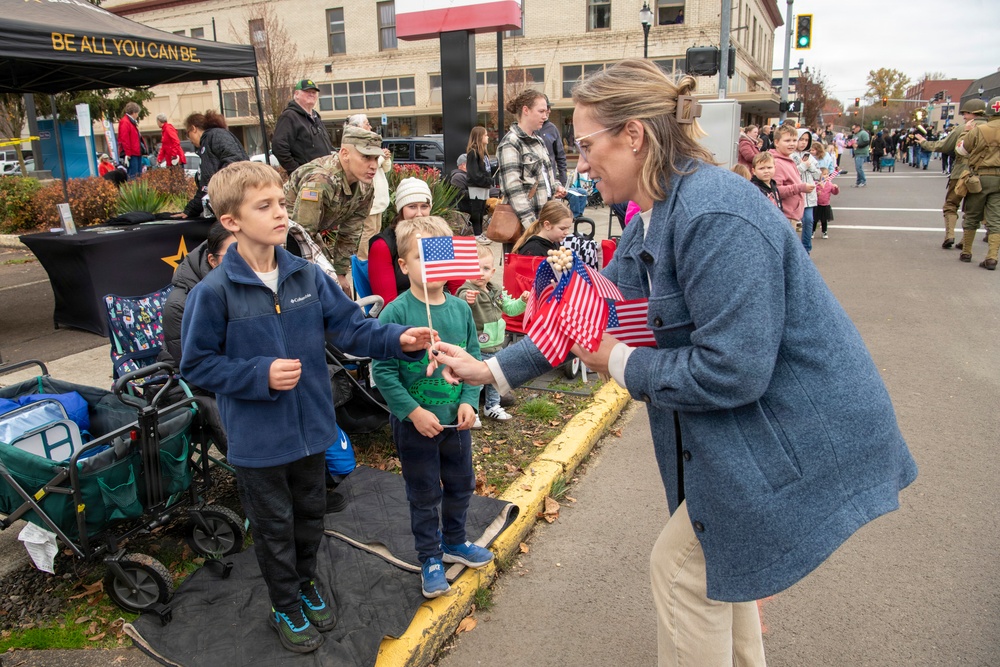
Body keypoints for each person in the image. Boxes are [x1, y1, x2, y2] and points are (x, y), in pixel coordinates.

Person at [428, 59, 917, 667]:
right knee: (712, 572)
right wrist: (490, 372)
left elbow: (734, 370)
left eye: (585, 144)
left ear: (633, 134)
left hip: (801, 432)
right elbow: (586, 318)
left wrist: (622, 362)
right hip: (756, 434)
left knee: (683, 568)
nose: (578, 164)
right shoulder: (657, 212)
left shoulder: (714, 213)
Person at [180, 162, 433, 654]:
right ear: (231, 221)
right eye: (265, 206)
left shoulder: (306, 278)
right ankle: (285, 603)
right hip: (258, 441)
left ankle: (306, 581)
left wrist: (399, 338)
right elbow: (196, 366)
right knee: (274, 527)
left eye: (281, 202)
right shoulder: (212, 293)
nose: (281, 213)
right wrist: (258, 375)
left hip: (313, 428)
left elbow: (351, 328)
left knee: (311, 517)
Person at [370, 215, 492, 600]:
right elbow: (383, 370)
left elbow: (474, 359)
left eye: (441, 259)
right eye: (424, 259)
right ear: (404, 266)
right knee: (423, 492)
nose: (434, 268)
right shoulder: (395, 313)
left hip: (455, 424)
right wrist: (412, 412)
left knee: (460, 484)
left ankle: (455, 540)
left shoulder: (459, 310)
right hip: (416, 426)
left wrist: (470, 402)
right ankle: (430, 557)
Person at [285, 125, 383, 293]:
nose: (373, 165)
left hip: (308, 232)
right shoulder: (320, 181)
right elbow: (300, 235)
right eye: (366, 157)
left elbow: (351, 232)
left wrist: (340, 272)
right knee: (320, 286)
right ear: (345, 154)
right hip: (285, 235)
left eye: (376, 158)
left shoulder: (365, 186)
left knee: (339, 287)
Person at [455, 245, 528, 424]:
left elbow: (509, 309)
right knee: (476, 381)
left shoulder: (495, 290)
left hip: (497, 343)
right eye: (475, 268)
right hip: (477, 346)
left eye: (485, 269)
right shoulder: (467, 290)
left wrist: (522, 301)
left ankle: (492, 406)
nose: (480, 273)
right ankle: (473, 410)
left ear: (493, 271)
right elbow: (459, 304)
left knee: (496, 377)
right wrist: (467, 300)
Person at [916, 99, 988, 249]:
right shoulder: (992, 128)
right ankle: (966, 241)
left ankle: (950, 235)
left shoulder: (963, 128)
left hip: (961, 171)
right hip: (984, 174)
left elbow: (943, 146)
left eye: (965, 113)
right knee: (973, 208)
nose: (964, 116)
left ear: (972, 113)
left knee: (951, 204)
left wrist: (923, 142)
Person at [497, 89, 566, 229]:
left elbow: (545, 176)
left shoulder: (538, 140)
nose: (545, 116)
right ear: (526, 110)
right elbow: (513, 189)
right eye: (541, 111)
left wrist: (555, 186)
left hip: (545, 220)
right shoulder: (511, 142)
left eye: (546, 112)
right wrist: (532, 226)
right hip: (522, 226)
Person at [955, 96, 1000, 269]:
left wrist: (966, 132)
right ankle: (992, 257)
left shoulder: (980, 129)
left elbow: (962, 150)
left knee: (972, 214)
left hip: (979, 177)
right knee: (995, 218)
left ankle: (966, 251)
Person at [179, 110, 249, 219]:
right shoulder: (211, 140)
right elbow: (207, 183)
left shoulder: (213, 136)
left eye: (187, 134)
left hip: (233, 204)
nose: (189, 140)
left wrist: (191, 209)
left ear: (193, 128)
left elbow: (208, 181)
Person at [344, 114, 393, 260]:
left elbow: (385, 169)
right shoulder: (356, 147)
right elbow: (364, 168)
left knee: (375, 230)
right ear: (358, 127)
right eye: (367, 123)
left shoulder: (371, 144)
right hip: (368, 199)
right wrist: (381, 157)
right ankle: (364, 260)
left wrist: (385, 159)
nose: (370, 127)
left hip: (378, 199)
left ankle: (372, 258)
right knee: (368, 232)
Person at [271, 79, 334, 175]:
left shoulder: (316, 117)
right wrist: (298, 171)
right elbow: (278, 147)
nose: (311, 94)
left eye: (314, 92)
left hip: (325, 176)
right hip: (308, 180)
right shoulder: (289, 116)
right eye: (307, 91)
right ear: (296, 94)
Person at [770, 124, 814, 232]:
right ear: (776, 142)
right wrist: (801, 187)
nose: (792, 144)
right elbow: (776, 191)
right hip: (785, 216)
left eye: (794, 140)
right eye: (787, 140)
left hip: (791, 215)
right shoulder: (778, 163)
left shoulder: (787, 159)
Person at [792, 131, 821, 254]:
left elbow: (818, 175)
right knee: (791, 223)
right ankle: (792, 251)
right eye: (801, 139)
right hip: (794, 193)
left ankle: (806, 249)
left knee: (809, 220)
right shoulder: (790, 156)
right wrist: (803, 166)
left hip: (809, 195)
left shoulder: (810, 156)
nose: (803, 142)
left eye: (806, 140)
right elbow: (791, 174)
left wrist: (810, 167)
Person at [465, 126, 494, 240]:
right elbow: (474, 173)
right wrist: (487, 180)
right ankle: (477, 234)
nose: (487, 137)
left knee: (482, 210)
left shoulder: (484, 153)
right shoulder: (473, 153)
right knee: (476, 210)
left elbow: (486, 170)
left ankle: (480, 233)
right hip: (476, 186)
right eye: (485, 135)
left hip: (484, 186)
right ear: (479, 136)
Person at [538, 96, 568, 186]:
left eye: (548, 108)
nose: (549, 111)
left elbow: (561, 157)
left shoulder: (552, 129)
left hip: (551, 181)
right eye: (545, 109)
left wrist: (563, 182)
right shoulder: (528, 130)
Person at [117, 101, 144, 180]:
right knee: (133, 175)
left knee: (137, 175)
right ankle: (132, 191)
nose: (137, 115)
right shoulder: (125, 122)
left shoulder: (130, 122)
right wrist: (127, 154)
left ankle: (137, 191)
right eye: (137, 113)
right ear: (134, 113)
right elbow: (124, 139)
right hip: (132, 154)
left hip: (136, 152)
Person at [814, 166, 839, 239]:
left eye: (827, 174)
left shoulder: (829, 184)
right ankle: (812, 231)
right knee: (815, 219)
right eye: (824, 174)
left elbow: (834, 192)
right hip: (817, 204)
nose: (826, 176)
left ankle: (824, 232)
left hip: (826, 204)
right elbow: (812, 193)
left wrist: (836, 188)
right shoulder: (817, 184)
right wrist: (816, 194)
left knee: (824, 220)